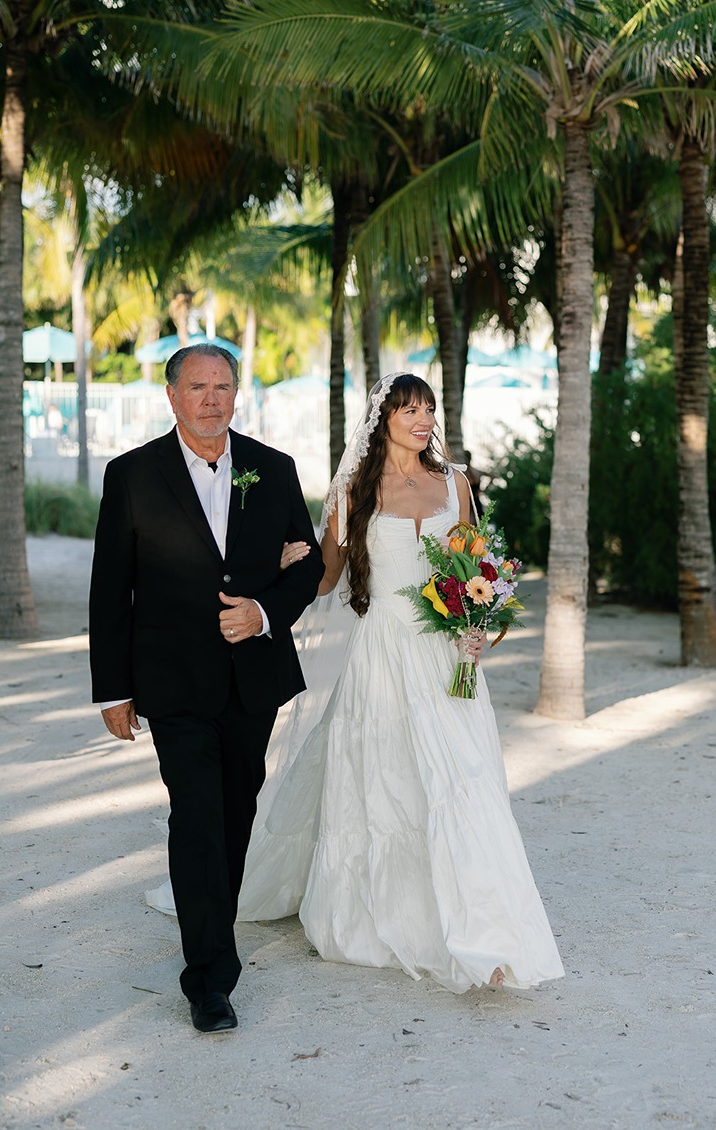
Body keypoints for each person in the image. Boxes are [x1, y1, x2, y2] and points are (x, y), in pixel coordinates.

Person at [149, 372, 564, 993]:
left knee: (464, 784)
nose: (422, 419)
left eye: (428, 407)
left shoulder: (456, 484)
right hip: (383, 656)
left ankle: (486, 934)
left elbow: (477, 567)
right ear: (382, 419)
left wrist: (481, 630)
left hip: (447, 658)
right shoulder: (353, 492)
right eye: (408, 409)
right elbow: (322, 579)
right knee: (390, 784)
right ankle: (387, 918)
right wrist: (279, 570)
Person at [89, 343, 324, 1033]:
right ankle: (210, 980)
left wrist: (261, 613)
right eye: (198, 386)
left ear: (236, 393)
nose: (212, 398)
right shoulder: (130, 476)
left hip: (251, 680)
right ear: (172, 396)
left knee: (234, 815)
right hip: (172, 683)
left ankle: (211, 942)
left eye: (223, 386)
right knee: (195, 818)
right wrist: (113, 690)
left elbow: (305, 568)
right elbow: (112, 590)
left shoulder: (273, 470)